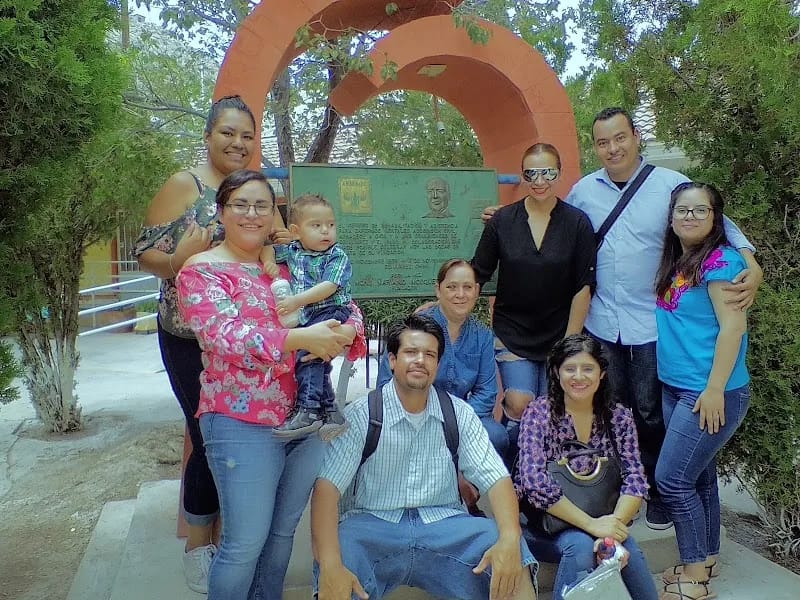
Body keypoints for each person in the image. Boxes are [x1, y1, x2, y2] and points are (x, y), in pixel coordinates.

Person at [484, 108, 761, 529]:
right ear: (595, 146)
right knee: (610, 411)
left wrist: (753, 268)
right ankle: (609, 489)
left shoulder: (670, 186)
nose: (612, 149)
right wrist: (502, 219)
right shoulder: (583, 191)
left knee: (651, 412)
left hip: (650, 324)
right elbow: (549, 215)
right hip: (601, 323)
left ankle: (661, 492)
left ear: (635, 136)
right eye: (602, 142)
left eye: (619, 138)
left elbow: (723, 228)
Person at [176, 169, 366, 600]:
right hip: (240, 420)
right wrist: (301, 338)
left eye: (262, 205)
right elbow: (224, 337)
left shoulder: (289, 262)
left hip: (306, 416)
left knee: (282, 535)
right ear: (222, 211)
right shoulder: (202, 271)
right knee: (244, 543)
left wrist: (345, 332)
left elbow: (346, 305)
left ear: (276, 216)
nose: (251, 213)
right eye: (240, 204)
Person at [133, 95, 290, 592]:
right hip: (188, 334)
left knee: (243, 439)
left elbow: (278, 243)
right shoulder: (186, 184)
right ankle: (200, 546)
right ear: (208, 135)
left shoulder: (256, 189)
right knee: (205, 437)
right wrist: (180, 258)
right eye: (228, 133)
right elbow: (143, 253)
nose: (238, 143)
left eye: (247, 135)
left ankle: (239, 534)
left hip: (249, 337)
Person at [311, 314, 537, 600]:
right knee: (339, 553)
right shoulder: (363, 414)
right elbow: (327, 489)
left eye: (429, 354)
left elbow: (497, 479)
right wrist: (330, 564)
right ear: (392, 360)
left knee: (509, 548)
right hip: (373, 527)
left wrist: (509, 537)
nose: (420, 360)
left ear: (437, 364)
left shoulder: (459, 413)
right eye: (410, 352)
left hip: (445, 527)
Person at [653, 182, 750, 600]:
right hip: (678, 386)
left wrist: (713, 391)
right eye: (682, 210)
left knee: (672, 480)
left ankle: (694, 576)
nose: (689, 217)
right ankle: (705, 557)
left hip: (709, 391)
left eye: (700, 210)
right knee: (701, 477)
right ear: (672, 217)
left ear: (716, 218)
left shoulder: (722, 261)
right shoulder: (681, 261)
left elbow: (733, 327)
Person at [471, 143, 597, 461]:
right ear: (524, 174)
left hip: (560, 330)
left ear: (558, 172)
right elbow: (478, 272)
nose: (539, 180)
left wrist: (570, 343)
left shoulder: (577, 223)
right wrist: (442, 305)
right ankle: (513, 482)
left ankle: (544, 489)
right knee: (519, 402)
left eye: (547, 172)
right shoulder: (503, 221)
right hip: (513, 329)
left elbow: (583, 285)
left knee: (552, 410)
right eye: (531, 173)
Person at [515, 334, 657, 600]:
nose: (578, 377)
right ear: (557, 373)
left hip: (605, 517)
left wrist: (612, 528)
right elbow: (534, 483)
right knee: (580, 546)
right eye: (570, 368)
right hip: (548, 525)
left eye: (588, 368)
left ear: (602, 373)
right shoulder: (539, 413)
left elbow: (635, 478)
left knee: (628, 549)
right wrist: (594, 526)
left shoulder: (618, 417)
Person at [376, 259, 509, 514]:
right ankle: (438, 501)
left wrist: (457, 423)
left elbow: (486, 392)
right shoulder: (416, 328)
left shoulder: (481, 336)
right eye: (452, 287)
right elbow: (387, 382)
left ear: (477, 292)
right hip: (415, 412)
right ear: (438, 290)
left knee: (497, 436)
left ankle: (466, 497)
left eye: (468, 287)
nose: (460, 294)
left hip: (463, 415)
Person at [262, 193, 356, 440]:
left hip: (331, 309)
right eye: (316, 226)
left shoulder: (336, 255)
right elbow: (268, 249)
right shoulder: (293, 250)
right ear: (295, 230)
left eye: (331, 225)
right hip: (310, 314)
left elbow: (329, 285)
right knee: (315, 358)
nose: (326, 231)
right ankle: (330, 411)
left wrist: (296, 301)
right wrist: (270, 261)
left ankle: (309, 409)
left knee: (309, 359)